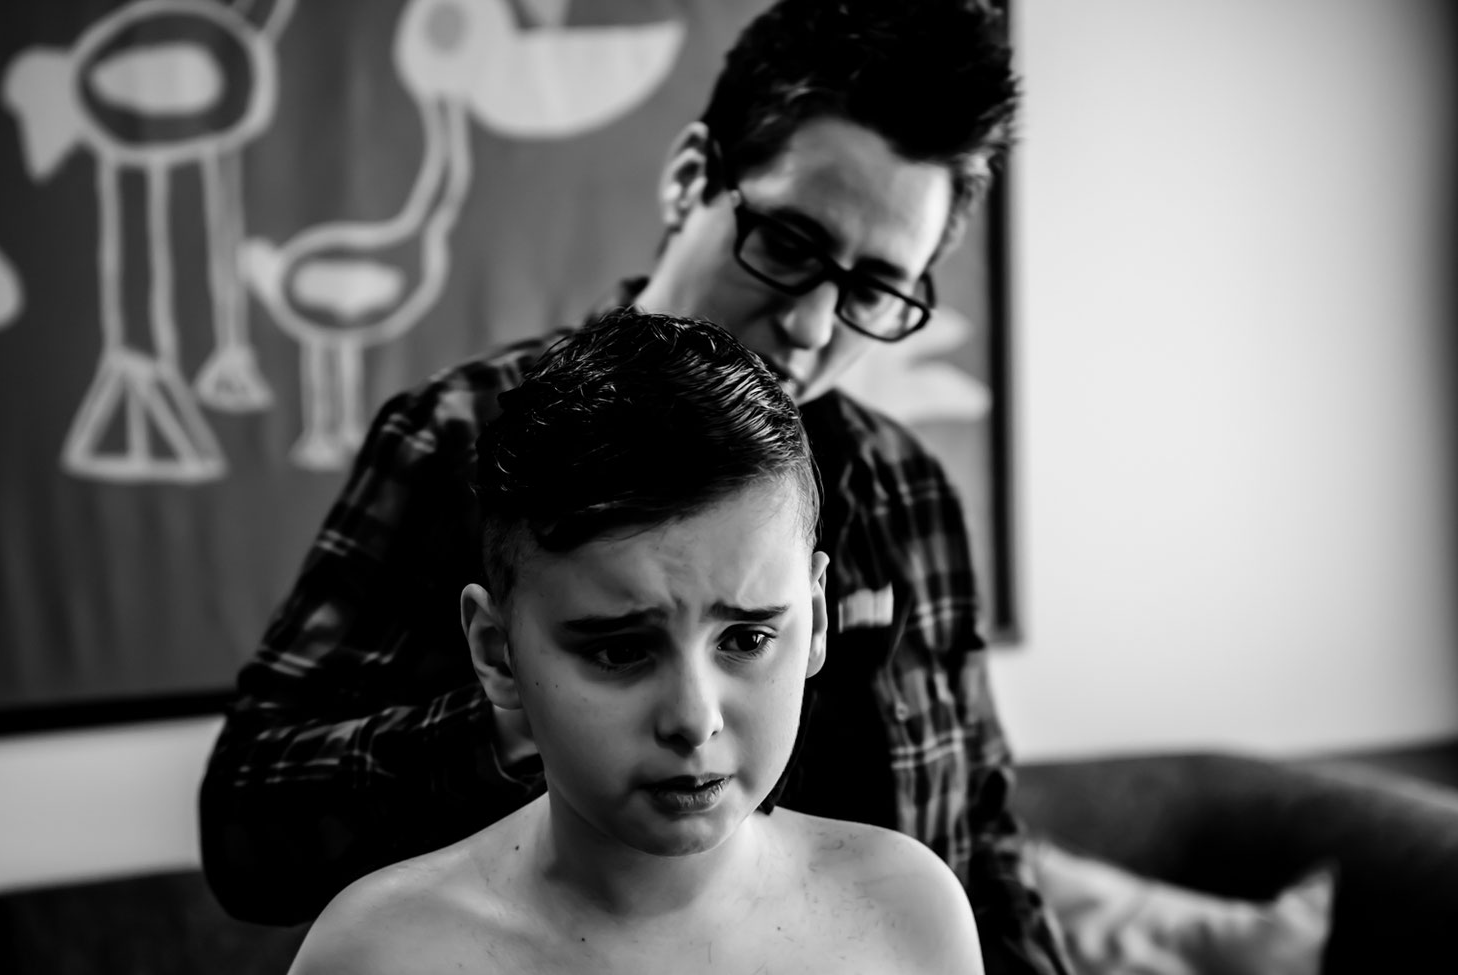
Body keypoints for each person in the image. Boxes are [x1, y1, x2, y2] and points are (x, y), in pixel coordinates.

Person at [201, 2, 1072, 973]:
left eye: (873, 288)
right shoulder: (460, 437)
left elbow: (982, 835)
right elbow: (249, 825)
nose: (813, 327)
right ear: (690, 179)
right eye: (786, 245)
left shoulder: (906, 487)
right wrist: (534, 700)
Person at [284, 310, 985, 975]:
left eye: (746, 637)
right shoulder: (382, 955)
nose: (693, 719)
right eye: (620, 650)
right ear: (498, 652)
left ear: (817, 620)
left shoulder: (909, 913)